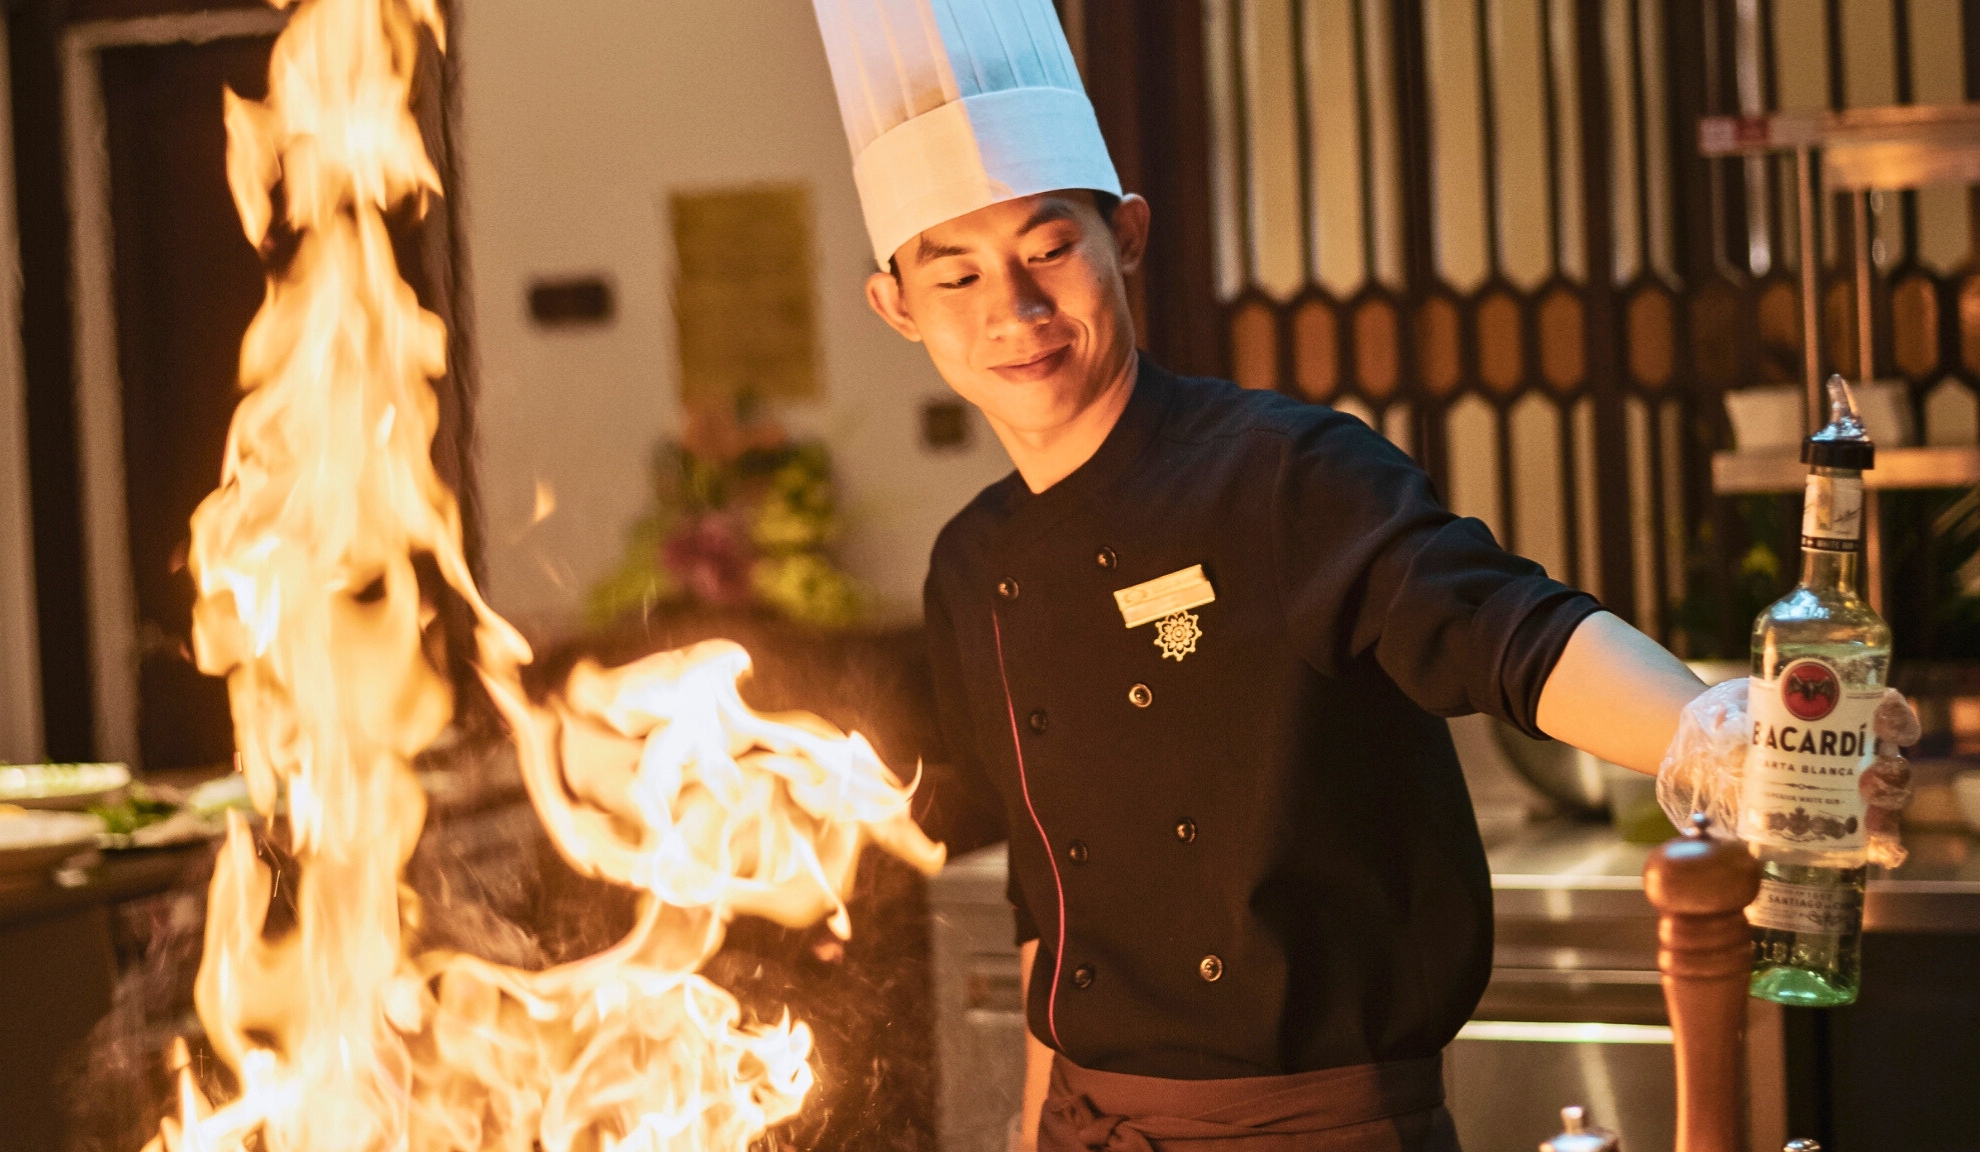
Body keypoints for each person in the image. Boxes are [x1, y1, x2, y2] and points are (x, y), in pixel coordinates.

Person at [807, 3, 1898, 1149]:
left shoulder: (1281, 474)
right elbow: (1047, 906)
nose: (1014, 311)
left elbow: (1503, 628)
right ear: (895, 306)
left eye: (1046, 250)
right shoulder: (970, 566)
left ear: (1124, 234)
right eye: (957, 276)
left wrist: (1719, 739)